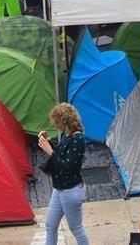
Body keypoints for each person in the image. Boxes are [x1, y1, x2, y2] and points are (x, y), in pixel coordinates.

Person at [37, 103, 89, 245]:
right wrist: (50, 143)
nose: (55, 125)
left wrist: (50, 151)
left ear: (64, 121)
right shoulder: (68, 135)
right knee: (50, 224)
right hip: (60, 188)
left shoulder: (78, 139)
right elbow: (62, 154)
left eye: (56, 122)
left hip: (70, 191)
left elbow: (67, 167)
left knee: (76, 228)